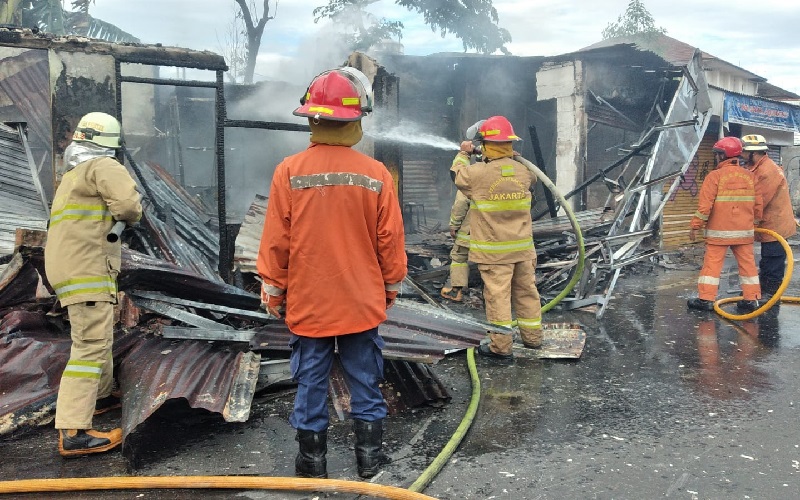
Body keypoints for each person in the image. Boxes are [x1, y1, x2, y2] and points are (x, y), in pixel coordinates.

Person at [256, 67, 407, 479]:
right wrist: (390, 285)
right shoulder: (376, 174)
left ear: (311, 118)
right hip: (361, 300)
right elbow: (390, 239)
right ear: (356, 119)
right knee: (365, 379)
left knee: (310, 383)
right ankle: (370, 460)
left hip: (309, 302)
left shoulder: (289, 170)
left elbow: (276, 241)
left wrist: (272, 289)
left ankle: (311, 464)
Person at [45, 112, 142, 457]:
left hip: (69, 269)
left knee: (96, 337)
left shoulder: (72, 176)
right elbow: (129, 207)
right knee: (88, 348)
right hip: (87, 269)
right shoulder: (103, 166)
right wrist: (134, 214)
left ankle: (99, 398)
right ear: (112, 144)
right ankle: (73, 431)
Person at [450, 115, 543, 362]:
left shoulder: (477, 174)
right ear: (510, 143)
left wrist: (463, 153)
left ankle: (501, 348)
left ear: (485, 143)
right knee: (527, 293)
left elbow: (457, 176)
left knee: (498, 297)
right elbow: (531, 180)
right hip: (524, 251)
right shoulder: (525, 172)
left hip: (495, 253)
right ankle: (533, 339)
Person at [687, 136, 762, 312]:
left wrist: (695, 226)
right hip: (744, 233)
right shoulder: (751, 177)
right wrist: (754, 225)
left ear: (722, 155)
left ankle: (706, 299)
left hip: (718, 233)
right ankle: (752, 300)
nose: (715, 157)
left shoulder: (714, 177)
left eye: (717, 154)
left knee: (712, 266)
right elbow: (758, 206)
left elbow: (704, 207)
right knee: (748, 267)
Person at [740, 134, 797, 302]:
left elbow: (758, 201)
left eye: (744, 151)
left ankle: (770, 295)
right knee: (767, 261)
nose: (741, 154)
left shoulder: (767, 171)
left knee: (773, 261)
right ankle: (764, 291)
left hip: (775, 226)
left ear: (754, 153)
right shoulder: (755, 166)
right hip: (769, 225)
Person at [440, 188, 471, 301]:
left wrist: (454, 225)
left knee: (458, 256)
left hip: (473, 230)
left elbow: (460, 204)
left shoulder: (470, 179)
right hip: (499, 233)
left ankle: (456, 291)